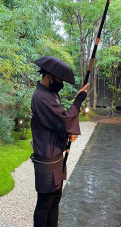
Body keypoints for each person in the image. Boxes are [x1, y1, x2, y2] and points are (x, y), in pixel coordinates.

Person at [31, 56, 89, 227]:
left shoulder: (50, 94)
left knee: (55, 200)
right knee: (45, 203)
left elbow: (57, 124)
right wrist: (78, 101)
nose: (61, 83)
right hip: (47, 157)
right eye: (59, 79)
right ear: (49, 77)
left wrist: (66, 134)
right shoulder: (41, 97)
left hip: (55, 155)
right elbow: (64, 121)